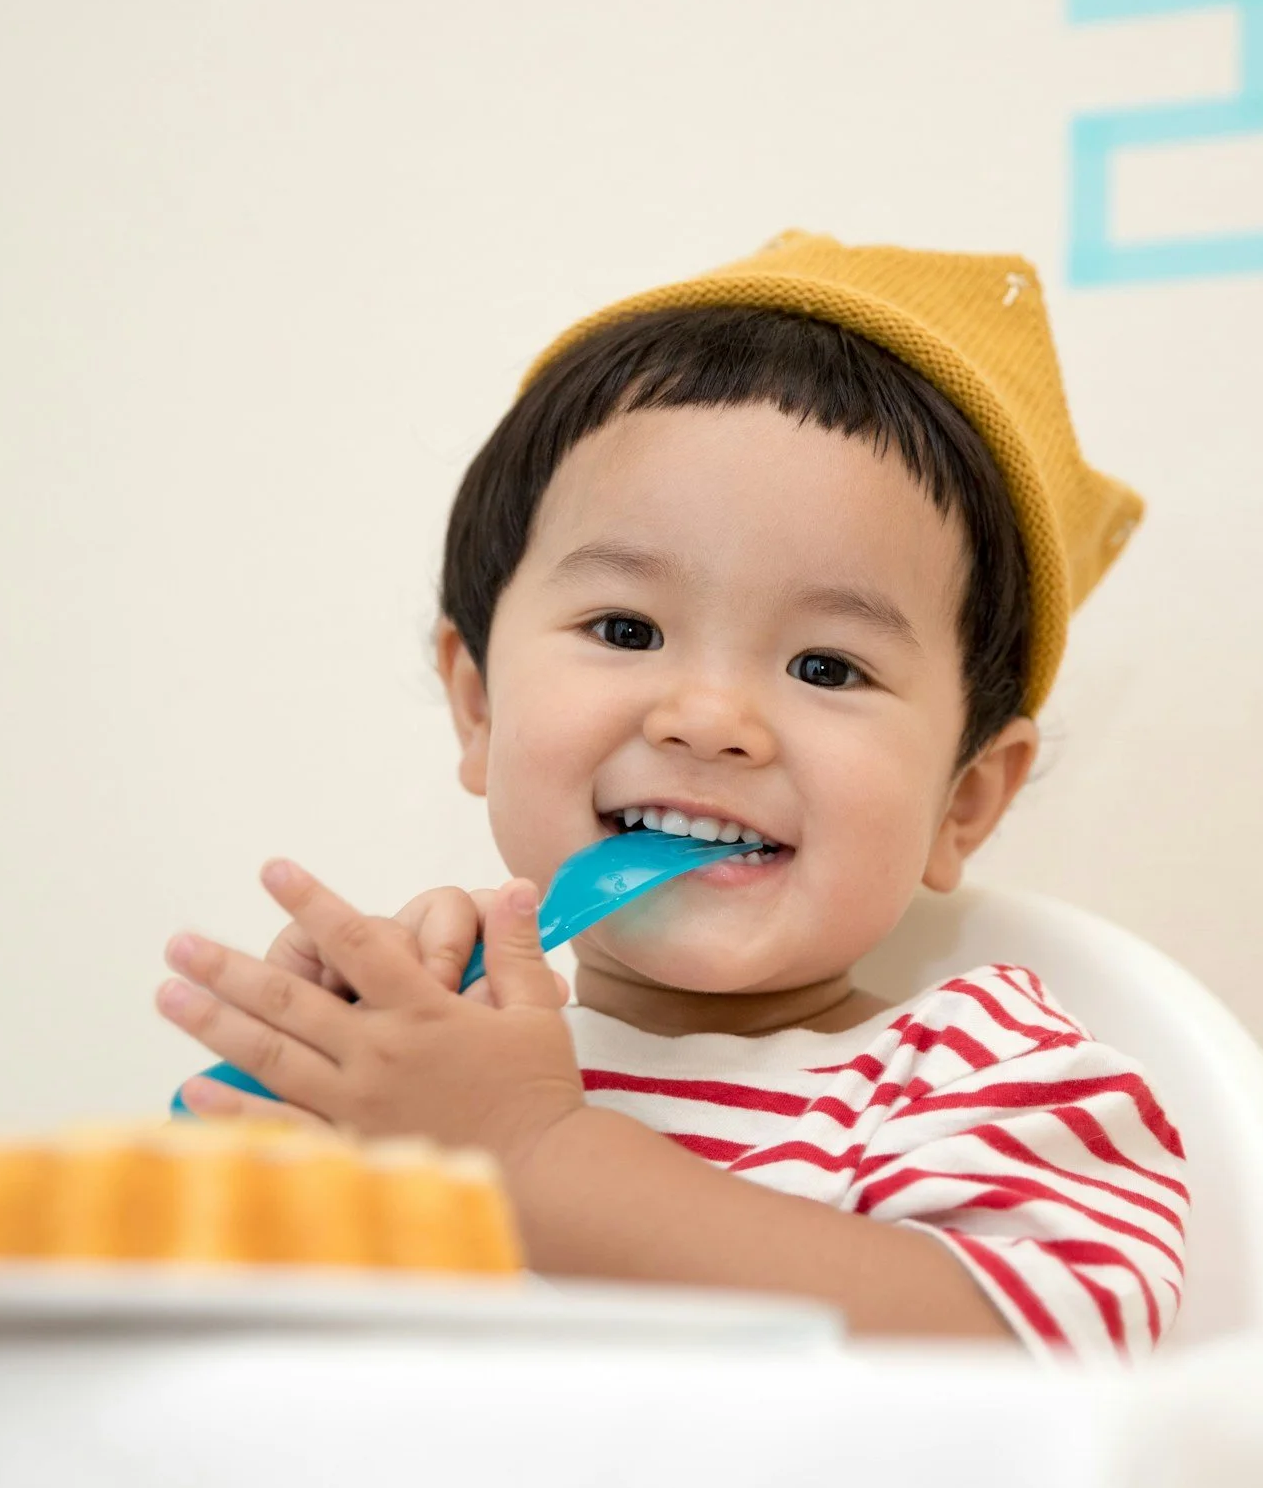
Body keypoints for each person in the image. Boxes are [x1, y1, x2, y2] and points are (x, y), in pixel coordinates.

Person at [154, 231, 1186, 1358]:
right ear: (480, 705)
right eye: (626, 629)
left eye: (826, 667)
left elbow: (1041, 1374)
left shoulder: (983, 1073)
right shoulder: (430, 1064)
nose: (705, 718)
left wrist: (529, 1152)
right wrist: (314, 1127)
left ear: (965, 799)